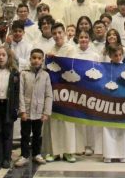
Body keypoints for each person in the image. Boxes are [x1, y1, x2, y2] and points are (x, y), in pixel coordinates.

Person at [15, 49, 53, 166]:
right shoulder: (24, 73)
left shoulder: (45, 75)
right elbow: (20, 93)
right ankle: (24, 155)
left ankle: (37, 154)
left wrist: (46, 112)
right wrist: (22, 110)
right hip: (26, 110)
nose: (36, 60)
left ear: (42, 60)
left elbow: (48, 94)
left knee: (37, 134)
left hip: (39, 111)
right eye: (34, 58)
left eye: (39, 58)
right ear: (30, 59)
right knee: (25, 134)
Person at [47, 23, 78, 162]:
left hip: (69, 89)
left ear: (64, 33)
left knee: (68, 121)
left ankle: (69, 151)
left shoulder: (71, 49)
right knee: (55, 120)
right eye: (54, 33)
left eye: (60, 32)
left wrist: (56, 59)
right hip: (54, 90)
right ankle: (55, 151)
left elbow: (72, 66)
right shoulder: (50, 50)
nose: (57, 35)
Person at [102, 44, 125, 163]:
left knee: (121, 127)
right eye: (115, 55)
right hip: (109, 99)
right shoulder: (104, 67)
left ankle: (122, 154)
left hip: (122, 100)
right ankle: (108, 154)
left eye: (120, 55)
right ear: (110, 56)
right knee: (108, 127)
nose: (118, 57)